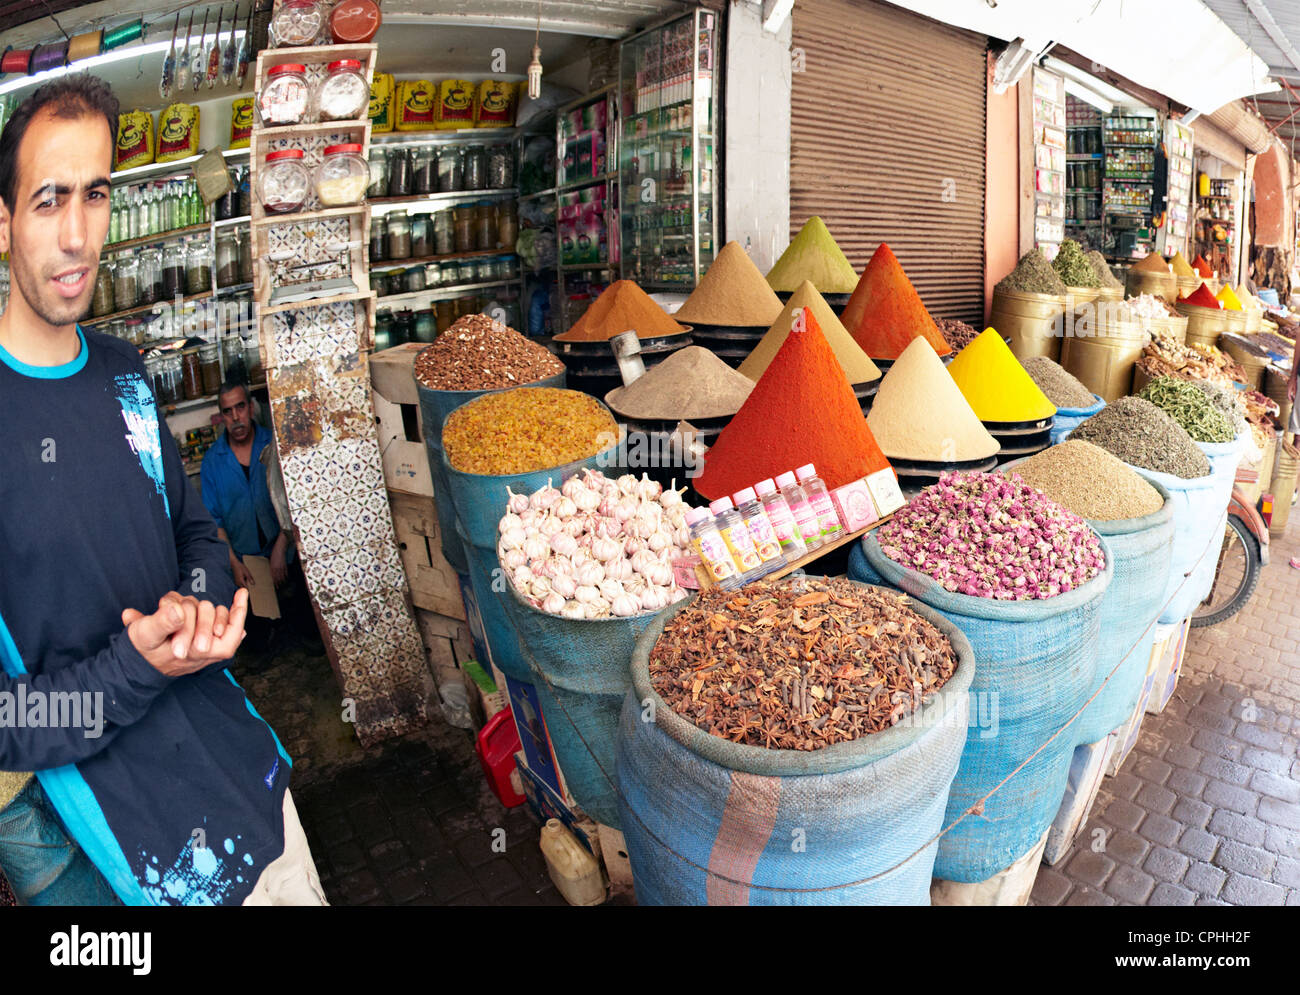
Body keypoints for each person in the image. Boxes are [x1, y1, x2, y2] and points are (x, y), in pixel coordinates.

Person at [0, 74, 324, 905]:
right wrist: (137, 667)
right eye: (47, 201)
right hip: (127, 856)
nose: (78, 237)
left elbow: (198, 532)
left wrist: (203, 605)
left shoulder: (125, 374)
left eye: (96, 194)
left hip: (250, 782)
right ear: (1, 221)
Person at [201, 380, 322, 657]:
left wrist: (282, 544)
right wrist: (234, 564)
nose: (236, 417)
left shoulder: (276, 444)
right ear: (221, 416)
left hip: (286, 552)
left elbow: (297, 499)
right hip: (247, 562)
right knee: (256, 649)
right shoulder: (212, 461)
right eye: (228, 411)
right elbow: (214, 522)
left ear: (251, 407)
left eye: (240, 407)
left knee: (309, 637)